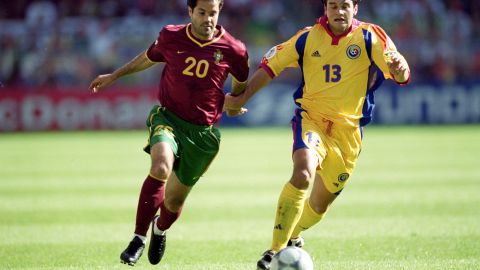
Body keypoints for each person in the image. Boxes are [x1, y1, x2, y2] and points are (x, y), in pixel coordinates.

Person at [224, 0, 410, 269]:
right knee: (302, 174)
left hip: (348, 135)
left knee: (319, 207)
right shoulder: (307, 38)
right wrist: (241, 98)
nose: (339, 11)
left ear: (355, 8)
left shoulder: (370, 36)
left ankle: (294, 234)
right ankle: (274, 252)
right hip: (312, 120)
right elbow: (270, 68)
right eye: (333, 6)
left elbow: (399, 71)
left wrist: (400, 70)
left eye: (344, 5)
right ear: (325, 9)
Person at [89, 0, 249, 266]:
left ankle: (159, 229)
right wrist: (114, 76)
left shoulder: (235, 49)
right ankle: (138, 238)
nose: (208, 18)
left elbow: (241, 83)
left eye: (213, 13)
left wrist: (234, 103)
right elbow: (145, 58)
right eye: (202, 12)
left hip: (203, 134)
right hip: (168, 119)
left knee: (173, 202)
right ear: (190, 11)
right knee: (161, 166)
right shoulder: (171, 36)